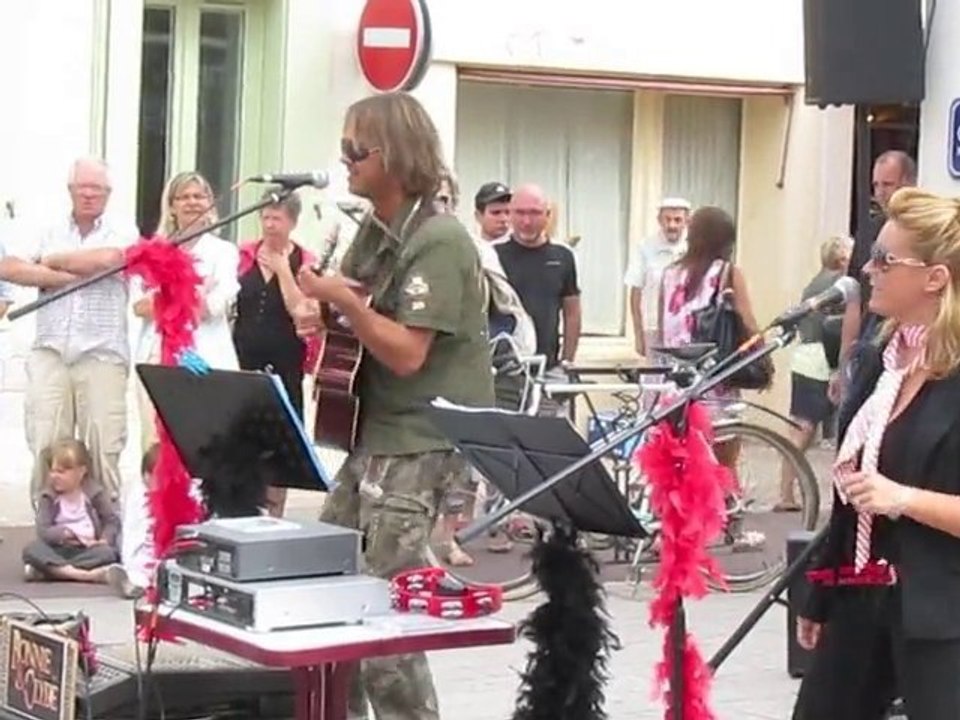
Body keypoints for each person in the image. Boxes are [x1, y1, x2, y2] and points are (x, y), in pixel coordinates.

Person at [294, 92, 494, 720]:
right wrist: (319, 310)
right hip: (374, 431)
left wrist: (344, 304)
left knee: (386, 612)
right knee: (328, 588)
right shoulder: (376, 232)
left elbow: (407, 351)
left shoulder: (439, 239)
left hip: (421, 435)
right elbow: (354, 315)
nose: (345, 159)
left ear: (397, 155)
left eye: (358, 149)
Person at [793, 188, 960, 720]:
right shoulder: (882, 359)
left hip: (943, 609)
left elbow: (883, 494)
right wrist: (821, 592)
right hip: (861, 593)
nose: (868, 268)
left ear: (935, 278)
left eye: (886, 259)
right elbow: (852, 495)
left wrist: (902, 498)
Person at [0, 157, 136, 504]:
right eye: (82, 187)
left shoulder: (123, 228)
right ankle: (48, 539)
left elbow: (109, 259)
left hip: (102, 354)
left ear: (108, 193)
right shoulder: (46, 226)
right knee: (47, 448)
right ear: (70, 190)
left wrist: (48, 261)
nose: (89, 194)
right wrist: (68, 276)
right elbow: (9, 266)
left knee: (103, 449)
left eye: (96, 189)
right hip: (50, 352)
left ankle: (105, 541)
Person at [133, 171, 240, 452]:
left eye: (199, 196)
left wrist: (166, 298)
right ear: (171, 206)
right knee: (156, 447)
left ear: (210, 203)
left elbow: (211, 308)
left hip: (205, 360)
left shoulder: (224, 252)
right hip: (158, 358)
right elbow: (139, 305)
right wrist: (192, 292)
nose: (192, 203)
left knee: (205, 446)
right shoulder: (155, 250)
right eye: (184, 197)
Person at [234, 190, 317, 517]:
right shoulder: (243, 255)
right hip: (244, 358)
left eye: (277, 218)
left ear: (292, 222)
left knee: (279, 440)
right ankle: (243, 509)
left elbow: (303, 312)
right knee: (243, 439)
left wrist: (283, 270)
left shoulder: (305, 262)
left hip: (285, 361)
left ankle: (275, 514)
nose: (270, 225)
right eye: (265, 217)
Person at [777, 235, 852, 510]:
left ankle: (786, 493)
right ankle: (785, 494)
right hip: (820, 358)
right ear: (842, 257)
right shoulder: (837, 284)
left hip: (806, 355)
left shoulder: (815, 282)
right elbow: (831, 327)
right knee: (804, 429)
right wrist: (837, 367)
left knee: (802, 429)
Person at [23, 438, 119, 583]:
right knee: (31, 549)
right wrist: (64, 533)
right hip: (58, 549)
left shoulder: (94, 493)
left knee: (109, 554)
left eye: (61, 472)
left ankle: (51, 572)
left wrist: (104, 540)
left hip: (86, 549)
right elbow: (43, 530)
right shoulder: (48, 497)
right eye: (53, 471)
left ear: (81, 471)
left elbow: (111, 520)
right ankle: (86, 575)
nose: (55, 476)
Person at [624, 197, 691, 357]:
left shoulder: (693, 247)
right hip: (654, 329)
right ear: (659, 220)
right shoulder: (645, 247)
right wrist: (638, 335)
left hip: (686, 329)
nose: (672, 225)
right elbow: (635, 293)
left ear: (687, 221)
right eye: (667, 219)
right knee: (654, 378)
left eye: (677, 220)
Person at [106, 443, 160, 599]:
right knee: (139, 570)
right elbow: (132, 533)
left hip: (166, 553)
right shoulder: (138, 495)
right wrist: (128, 561)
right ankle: (131, 582)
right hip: (143, 553)